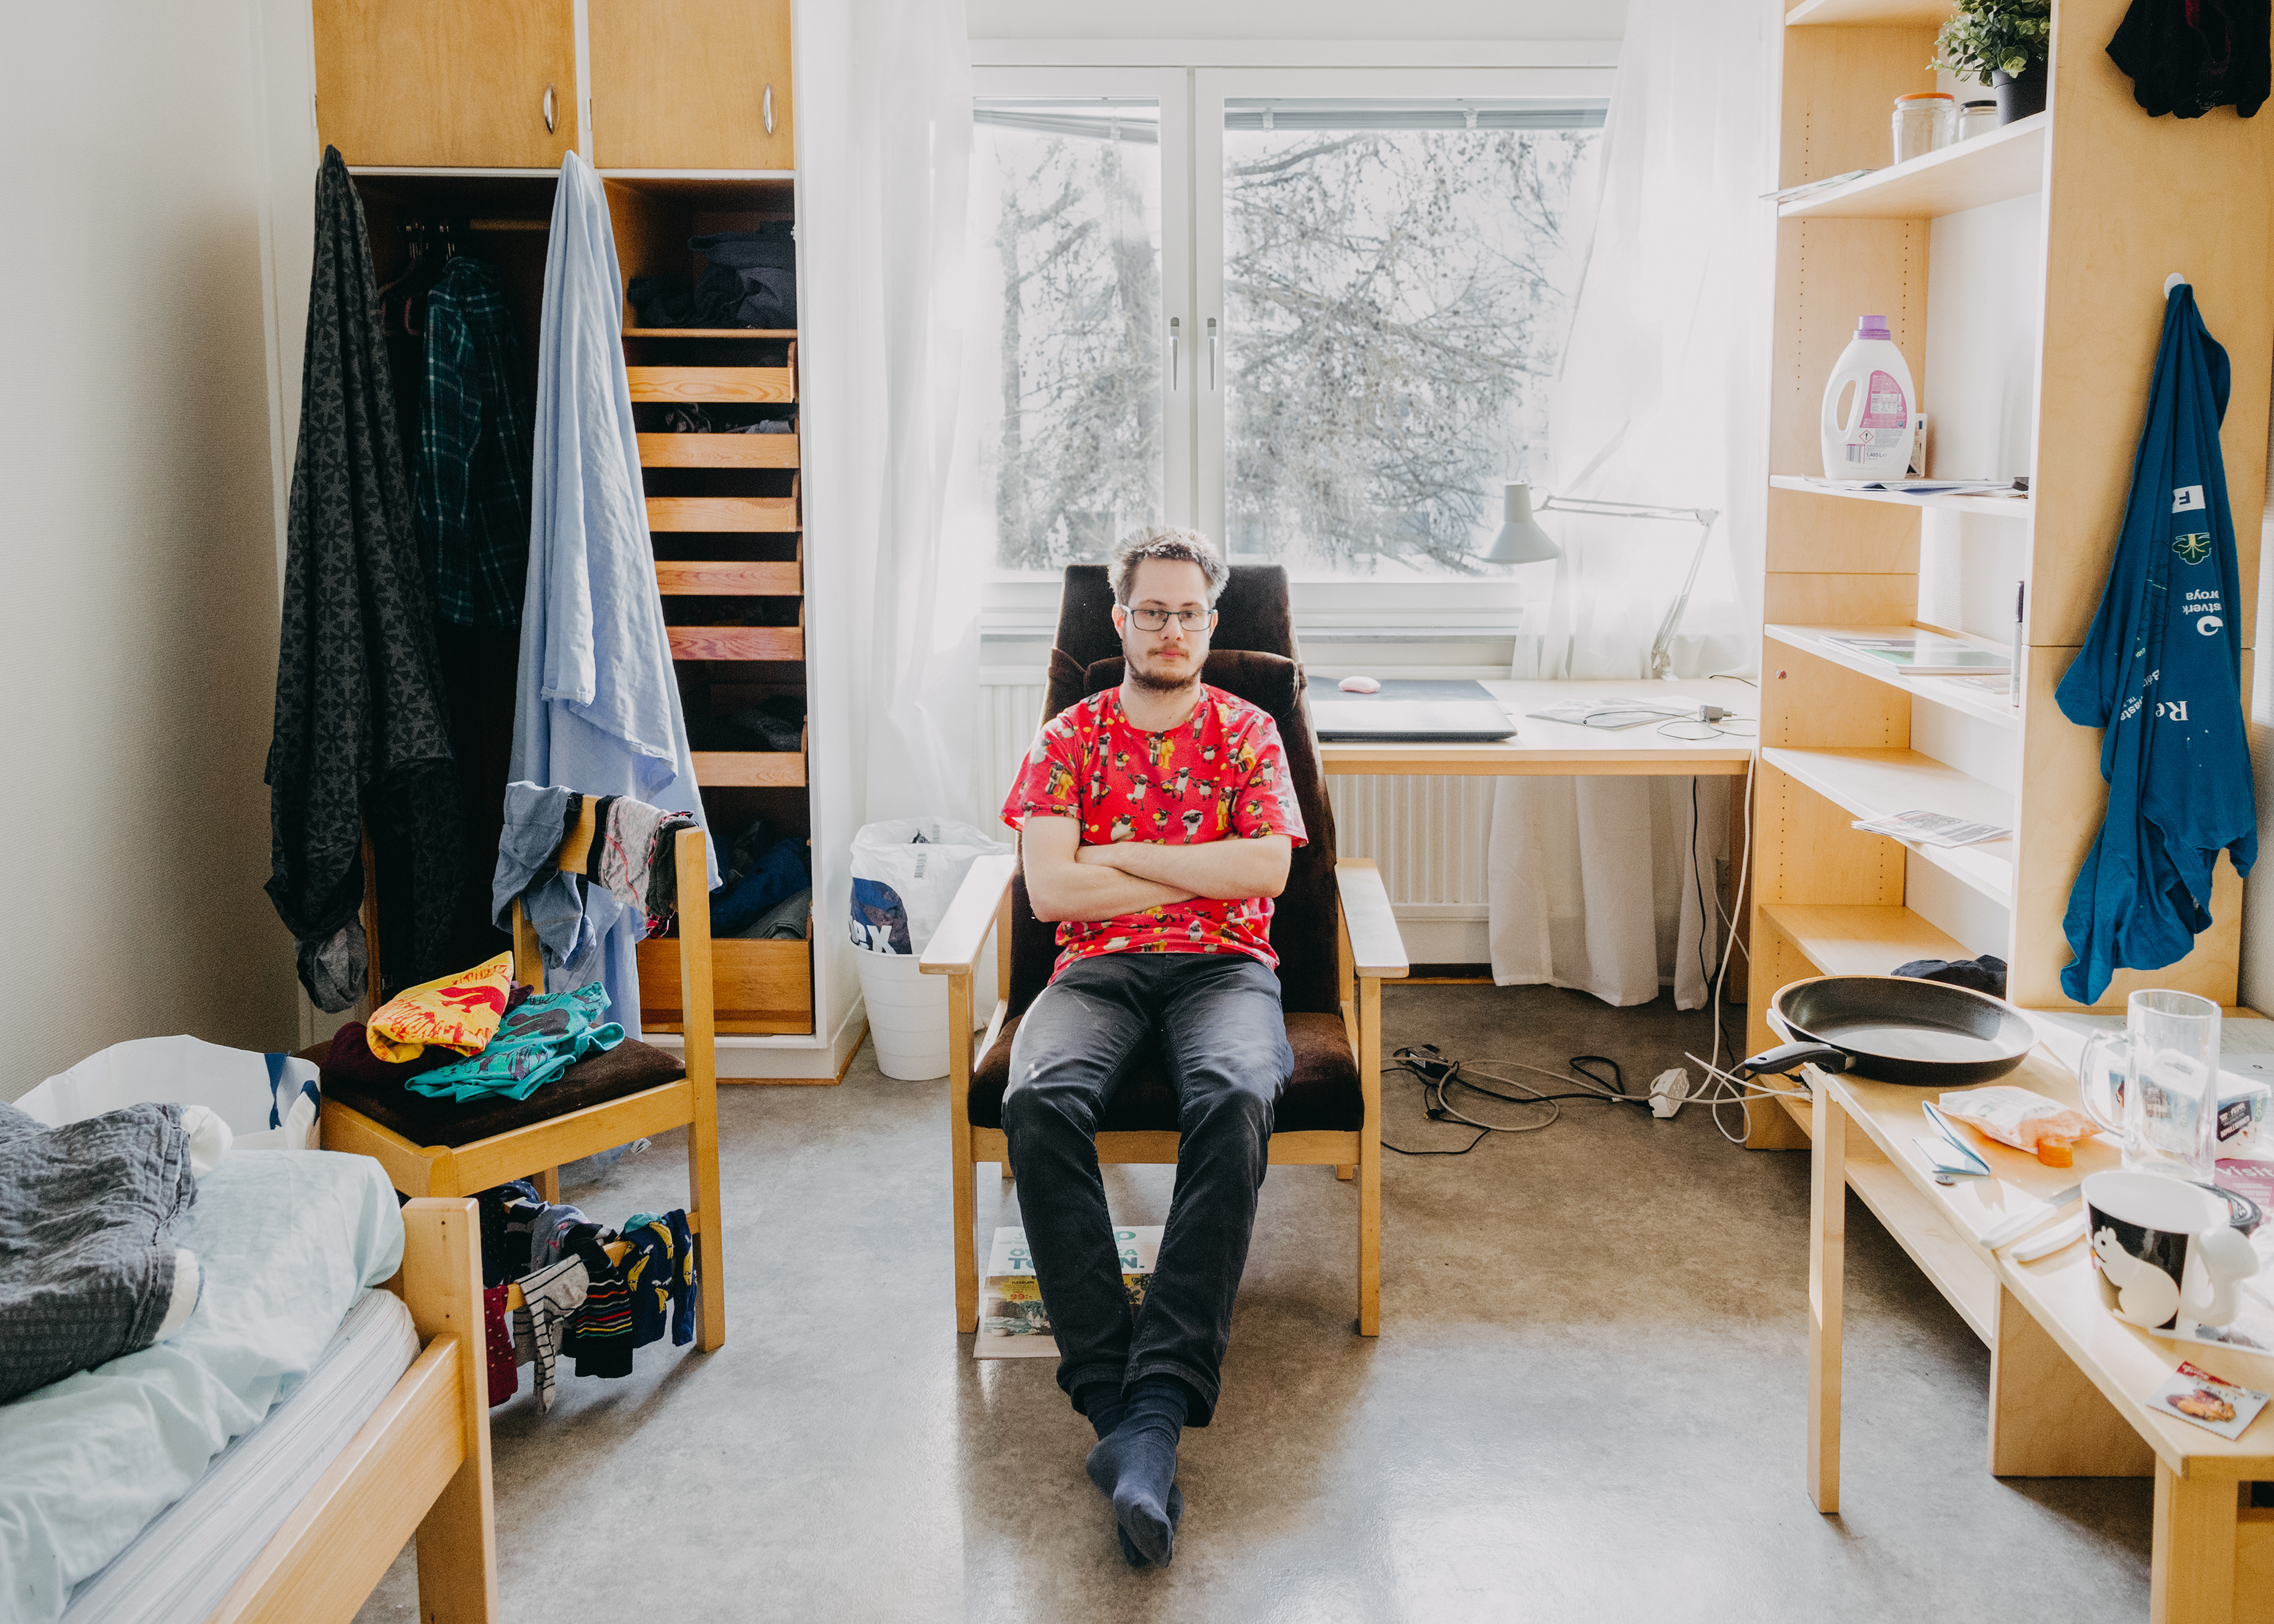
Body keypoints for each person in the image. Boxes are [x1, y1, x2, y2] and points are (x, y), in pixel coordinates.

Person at [998, 526, 1305, 1568]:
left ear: (1211, 623)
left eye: (1189, 613)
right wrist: (1194, 864)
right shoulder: (1069, 737)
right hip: (1097, 970)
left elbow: (1265, 871)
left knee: (1237, 1093)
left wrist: (1121, 852)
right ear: (1120, 620)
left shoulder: (1250, 730)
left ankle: (1154, 1407)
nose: (1172, 629)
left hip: (1226, 969)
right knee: (1039, 1100)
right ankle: (1120, 1408)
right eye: (1152, 612)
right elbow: (1051, 891)